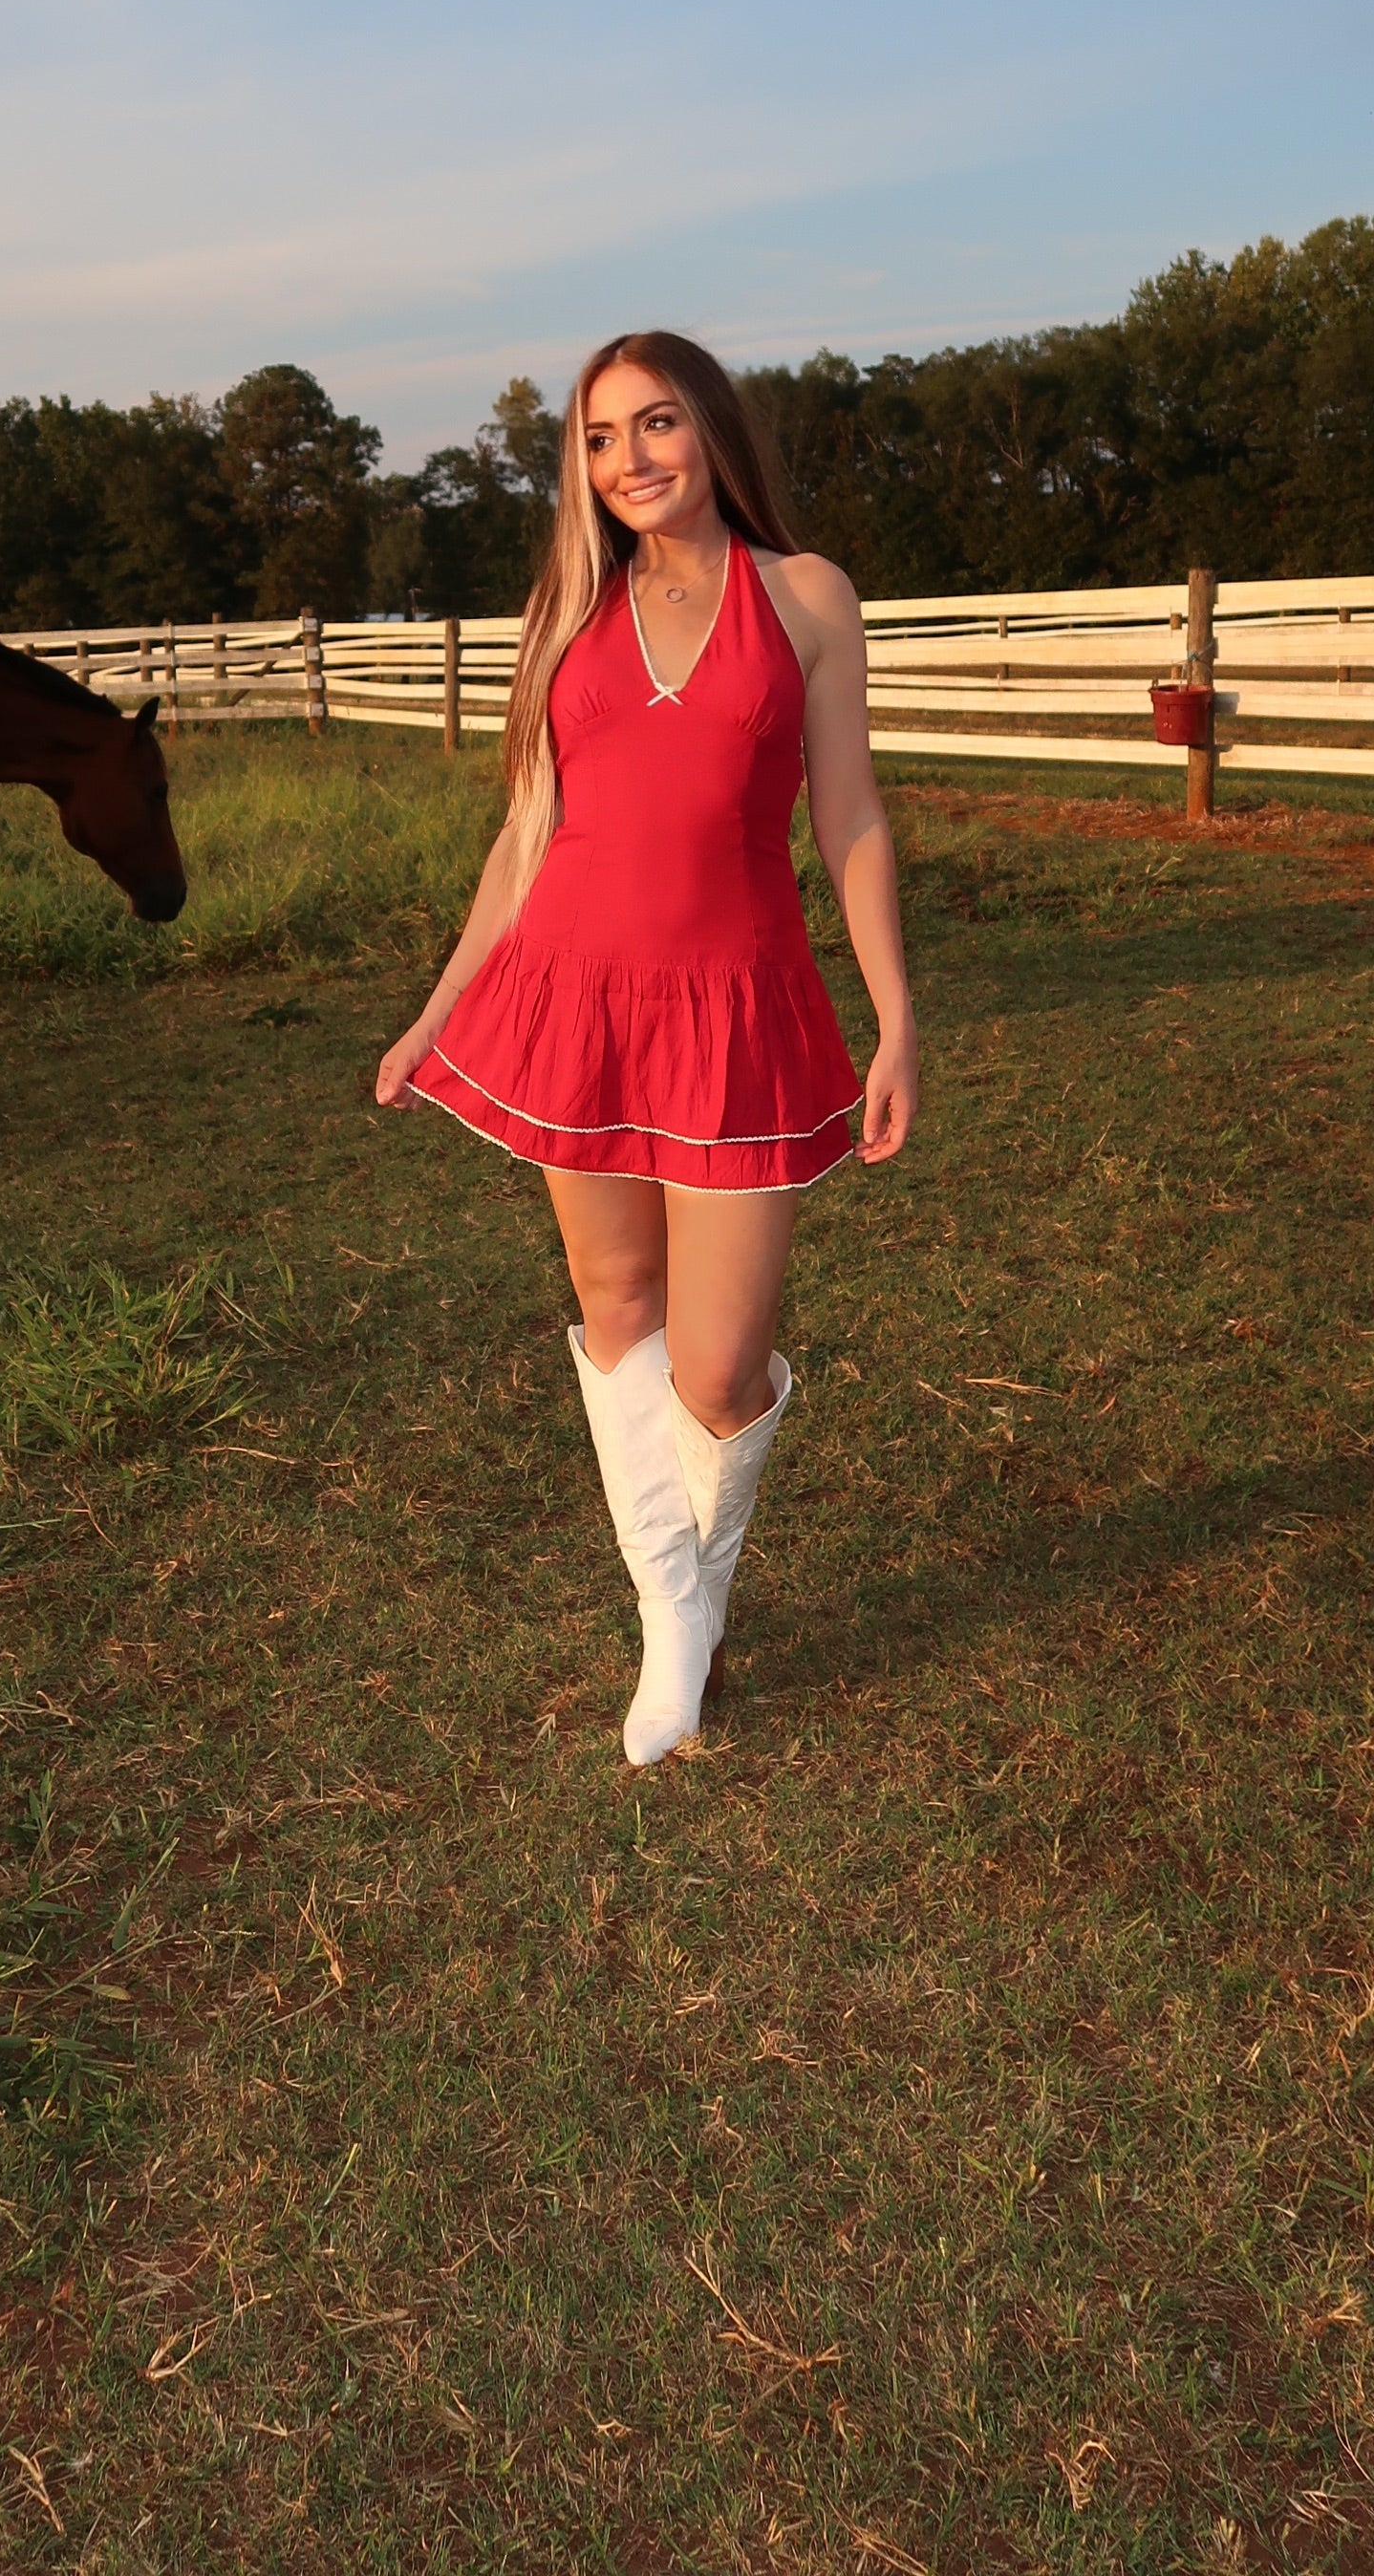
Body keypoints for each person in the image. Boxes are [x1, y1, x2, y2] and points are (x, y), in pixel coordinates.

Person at [375, 332, 917, 1765]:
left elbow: (849, 818)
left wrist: (897, 1018)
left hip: (738, 1008)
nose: (630, 461)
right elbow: (524, 835)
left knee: (723, 1370)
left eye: (657, 424)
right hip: (578, 1001)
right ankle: (675, 1622)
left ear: (713, 430)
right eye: (601, 439)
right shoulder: (567, 610)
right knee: (618, 1304)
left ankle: (696, 1597)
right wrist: (439, 1010)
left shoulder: (806, 599)